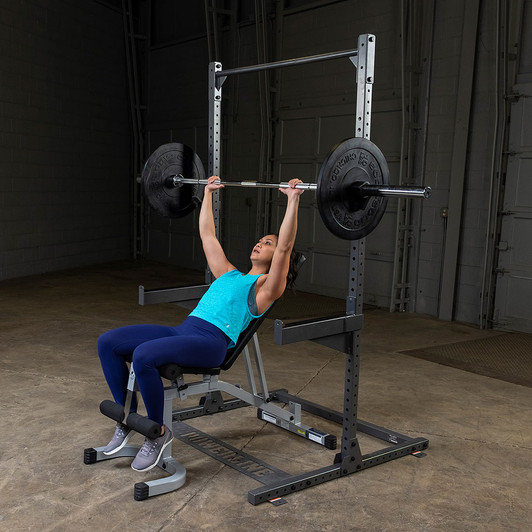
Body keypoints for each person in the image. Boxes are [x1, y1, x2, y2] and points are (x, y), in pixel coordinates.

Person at [97, 176, 304, 472]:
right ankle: (126, 420)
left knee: (144, 356)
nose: (260, 244)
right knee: (108, 343)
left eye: (267, 243)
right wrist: (207, 194)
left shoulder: (265, 289)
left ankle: (157, 434)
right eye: (260, 240)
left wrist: (293, 201)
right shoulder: (230, 274)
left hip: (211, 343)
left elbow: (285, 248)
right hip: (184, 330)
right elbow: (208, 235)